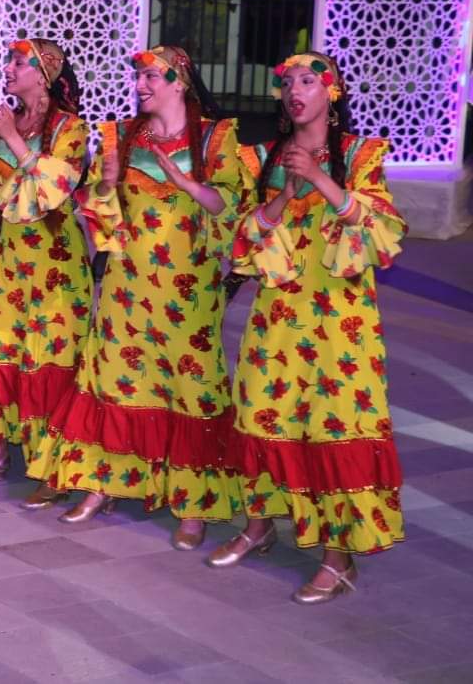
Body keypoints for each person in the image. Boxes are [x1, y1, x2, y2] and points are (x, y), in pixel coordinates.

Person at [213, 52, 405, 603]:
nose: (295, 91)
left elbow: (383, 232)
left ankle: (338, 557)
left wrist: (320, 178)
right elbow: (242, 239)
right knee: (261, 413)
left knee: (332, 426)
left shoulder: (360, 156)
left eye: (307, 81)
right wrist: (283, 196)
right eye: (287, 83)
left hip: (340, 322)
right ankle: (258, 526)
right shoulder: (261, 159)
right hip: (277, 316)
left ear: (332, 92)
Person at [37, 46, 246, 550]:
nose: (140, 86)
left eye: (152, 76)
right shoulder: (121, 136)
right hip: (126, 287)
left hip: (187, 289)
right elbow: (101, 215)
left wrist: (186, 183)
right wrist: (107, 185)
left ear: (180, 82)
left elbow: (230, 209)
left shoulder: (215, 137)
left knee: (189, 386)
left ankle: (192, 503)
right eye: (139, 77)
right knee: (115, 379)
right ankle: (102, 482)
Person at [0, 39, 92, 507]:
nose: (7, 68)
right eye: (8, 61)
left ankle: (53, 465)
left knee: (48, 360)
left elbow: (55, 188)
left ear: (45, 76)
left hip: (56, 265)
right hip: (10, 260)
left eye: (18, 63)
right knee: (0, 349)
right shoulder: (6, 122)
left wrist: (10, 136)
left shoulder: (69, 127)